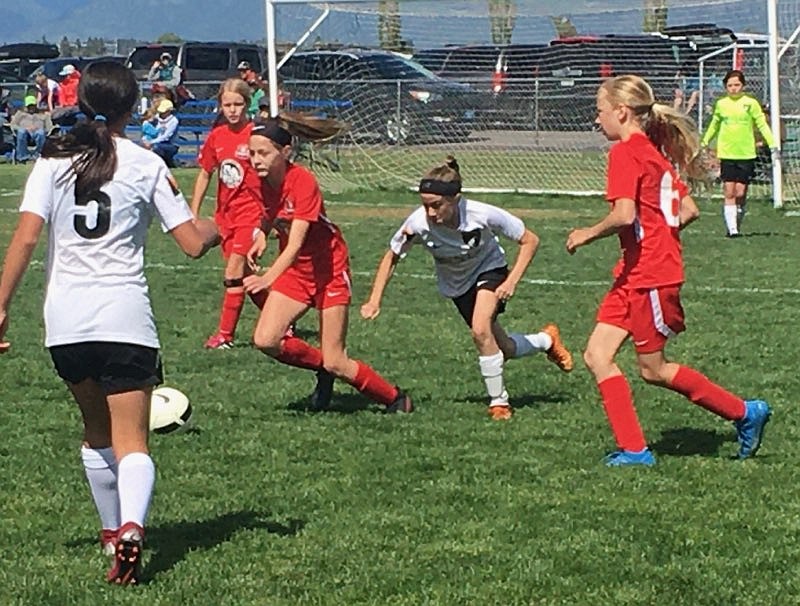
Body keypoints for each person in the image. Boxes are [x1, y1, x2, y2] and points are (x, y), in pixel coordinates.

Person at [0, 61, 219, 584]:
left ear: (82, 101)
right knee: (133, 442)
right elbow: (190, 244)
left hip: (66, 324)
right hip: (123, 318)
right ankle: (131, 528)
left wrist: (2, 306)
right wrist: (218, 228)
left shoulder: (52, 162)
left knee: (95, 433)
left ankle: (108, 535)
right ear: (133, 107)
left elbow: (27, 239)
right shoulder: (144, 163)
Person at [565, 74, 771, 467]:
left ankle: (745, 412)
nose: (597, 119)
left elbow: (624, 215)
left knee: (653, 369)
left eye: (600, 111)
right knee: (597, 354)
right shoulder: (653, 153)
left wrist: (585, 234)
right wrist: (658, 233)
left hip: (650, 276)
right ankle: (635, 450)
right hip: (635, 272)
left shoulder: (625, 154)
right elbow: (688, 211)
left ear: (622, 112)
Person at [360, 157, 574, 420]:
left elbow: (530, 240)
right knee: (501, 347)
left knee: (480, 329)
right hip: (458, 286)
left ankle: (499, 403)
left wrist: (511, 281)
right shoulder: (417, 224)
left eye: (436, 205)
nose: (430, 213)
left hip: (489, 270)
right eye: (425, 205)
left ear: (455, 199)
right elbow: (391, 256)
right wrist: (374, 300)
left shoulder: (481, 214)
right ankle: (547, 340)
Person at [244, 114, 413, 414]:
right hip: (297, 273)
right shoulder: (260, 181)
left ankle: (395, 398)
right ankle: (322, 367)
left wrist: (268, 277)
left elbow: (296, 244)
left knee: (337, 360)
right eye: (252, 152)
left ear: (285, 152)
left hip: (328, 271)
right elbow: (271, 213)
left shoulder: (303, 181)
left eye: (263, 153)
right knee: (266, 340)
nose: (256, 160)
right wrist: (261, 234)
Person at [189, 78, 265, 349]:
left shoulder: (256, 135)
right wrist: (194, 212)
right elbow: (205, 173)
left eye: (238, 104)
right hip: (226, 216)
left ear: (247, 104)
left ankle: (225, 336)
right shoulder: (217, 137)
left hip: (252, 215)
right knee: (243, 277)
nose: (232, 110)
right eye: (227, 104)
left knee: (234, 271)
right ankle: (280, 317)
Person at [701, 69, 777, 237]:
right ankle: (732, 230)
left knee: (741, 192)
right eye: (730, 85)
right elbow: (714, 124)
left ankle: (737, 223)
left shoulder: (750, 103)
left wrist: (772, 143)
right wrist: (705, 141)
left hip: (746, 153)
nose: (733, 88)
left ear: (743, 86)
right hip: (727, 153)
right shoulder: (722, 104)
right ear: (725, 87)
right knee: (729, 191)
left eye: (737, 85)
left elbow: (761, 124)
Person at [10, 95, 54, 163]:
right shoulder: (20, 114)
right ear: (26, 106)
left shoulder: (44, 115)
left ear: (36, 105)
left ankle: (38, 156)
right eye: (29, 106)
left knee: (40, 132)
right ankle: (22, 157)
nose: (31, 107)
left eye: (33, 105)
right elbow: (12, 125)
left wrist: (40, 129)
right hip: (25, 135)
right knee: (21, 131)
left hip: (39, 135)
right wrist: (24, 128)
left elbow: (49, 127)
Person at [140, 98, 180, 168]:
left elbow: (166, 137)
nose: (162, 113)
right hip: (156, 141)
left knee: (156, 148)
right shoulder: (157, 118)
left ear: (169, 111)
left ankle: (167, 162)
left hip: (171, 145)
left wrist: (152, 142)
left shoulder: (173, 121)